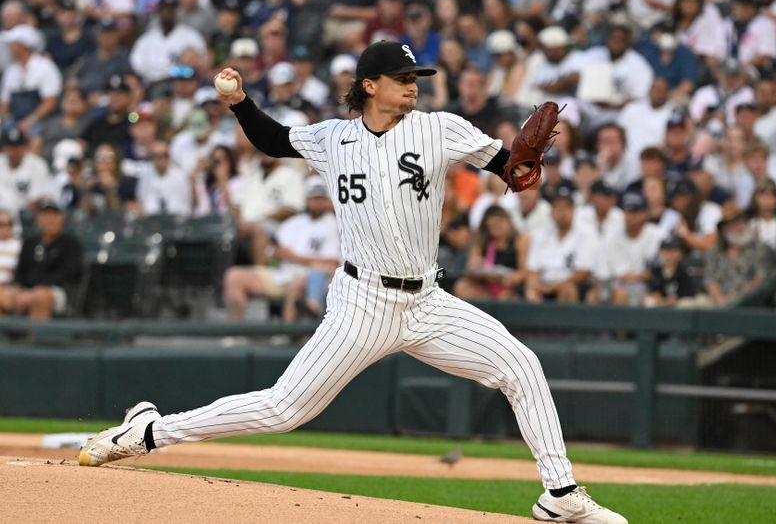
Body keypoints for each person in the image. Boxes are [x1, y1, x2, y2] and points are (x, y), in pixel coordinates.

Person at [79, 40, 627, 524]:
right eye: (404, 79)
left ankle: (560, 493)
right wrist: (239, 103)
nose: (414, 87)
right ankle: (148, 432)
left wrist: (525, 170)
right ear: (370, 85)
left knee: (522, 366)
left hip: (428, 301)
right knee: (283, 410)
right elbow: (273, 141)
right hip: (362, 301)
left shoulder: (441, 128)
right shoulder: (333, 138)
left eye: (417, 79)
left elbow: (512, 169)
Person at [223, 176, 340, 323]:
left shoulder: (334, 225)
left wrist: (294, 257)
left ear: (326, 200)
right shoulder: (292, 224)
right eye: (312, 197)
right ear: (306, 199)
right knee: (234, 276)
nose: (316, 202)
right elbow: (271, 255)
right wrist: (275, 255)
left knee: (298, 282)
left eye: (320, 198)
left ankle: (287, 335)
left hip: (311, 279)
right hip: (282, 275)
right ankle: (236, 333)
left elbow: (334, 262)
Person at [0, 199, 82, 320]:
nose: (50, 219)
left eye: (54, 215)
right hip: (27, 290)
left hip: (58, 292)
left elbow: (68, 274)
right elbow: (21, 270)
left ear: (61, 217)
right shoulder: (30, 242)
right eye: (45, 215)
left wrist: (36, 290)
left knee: (41, 297)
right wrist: (18, 288)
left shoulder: (70, 243)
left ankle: (35, 338)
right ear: (39, 219)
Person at [526, 185, 599, 303]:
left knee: (567, 290)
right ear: (551, 212)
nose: (562, 213)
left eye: (566, 208)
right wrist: (535, 287)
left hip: (572, 285)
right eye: (558, 208)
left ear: (574, 210)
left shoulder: (586, 233)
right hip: (545, 284)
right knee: (530, 291)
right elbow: (533, 271)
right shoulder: (541, 235)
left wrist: (552, 288)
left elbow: (582, 274)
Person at [454, 205, 528, 301]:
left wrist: (507, 279)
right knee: (461, 286)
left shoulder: (520, 240)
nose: (496, 229)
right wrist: (477, 268)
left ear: (508, 223)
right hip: (487, 287)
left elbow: (524, 272)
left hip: (511, 288)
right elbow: (471, 268)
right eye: (492, 226)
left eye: (499, 224)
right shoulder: (482, 241)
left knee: (506, 297)